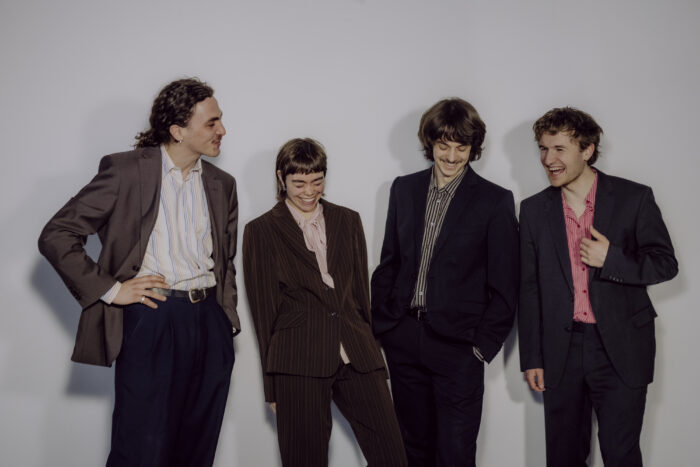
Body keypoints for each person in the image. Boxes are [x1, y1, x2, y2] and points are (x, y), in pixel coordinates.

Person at [38, 78, 238, 467]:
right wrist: (112, 290)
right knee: (142, 448)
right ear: (178, 130)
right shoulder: (126, 171)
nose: (222, 130)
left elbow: (226, 259)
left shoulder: (222, 184)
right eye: (211, 122)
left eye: (221, 120)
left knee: (197, 449)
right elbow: (57, 235)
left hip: (210, 322)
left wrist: (225, 316)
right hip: (153, 317)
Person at [518, 107, 678, 466]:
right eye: (543, 148)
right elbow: (529, 289)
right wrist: (533, 357)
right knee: (563, 457)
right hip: (561, 350)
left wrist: (613, 259)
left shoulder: (634, 198)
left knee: (621, 455)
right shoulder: (533, 210)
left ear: (587, 150)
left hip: (621, 348)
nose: (548, 159)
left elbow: (666, 263)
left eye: (559, 149)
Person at [371, 98, 519, 467]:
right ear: (430, 143)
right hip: (404, 340)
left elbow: (506, 285)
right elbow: (389, 262)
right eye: (443, 145)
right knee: (412, 449)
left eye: (461, 147)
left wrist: (480, 347)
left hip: (459, 349)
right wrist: (386, 327)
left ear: (473, 148)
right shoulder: (403, 189)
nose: (452, 157)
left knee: (455, 454)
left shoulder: (495, 201)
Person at [243, 138, 406, 467]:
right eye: (298, 183)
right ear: (281, 178)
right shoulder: (261, 231)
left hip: (357, 355)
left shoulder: (348, 220)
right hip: (297, 361)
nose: (309, 192)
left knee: (393, 456)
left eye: (317, 181)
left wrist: (373, 356)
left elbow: (360, 296)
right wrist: (272, 387)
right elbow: (264, 314)